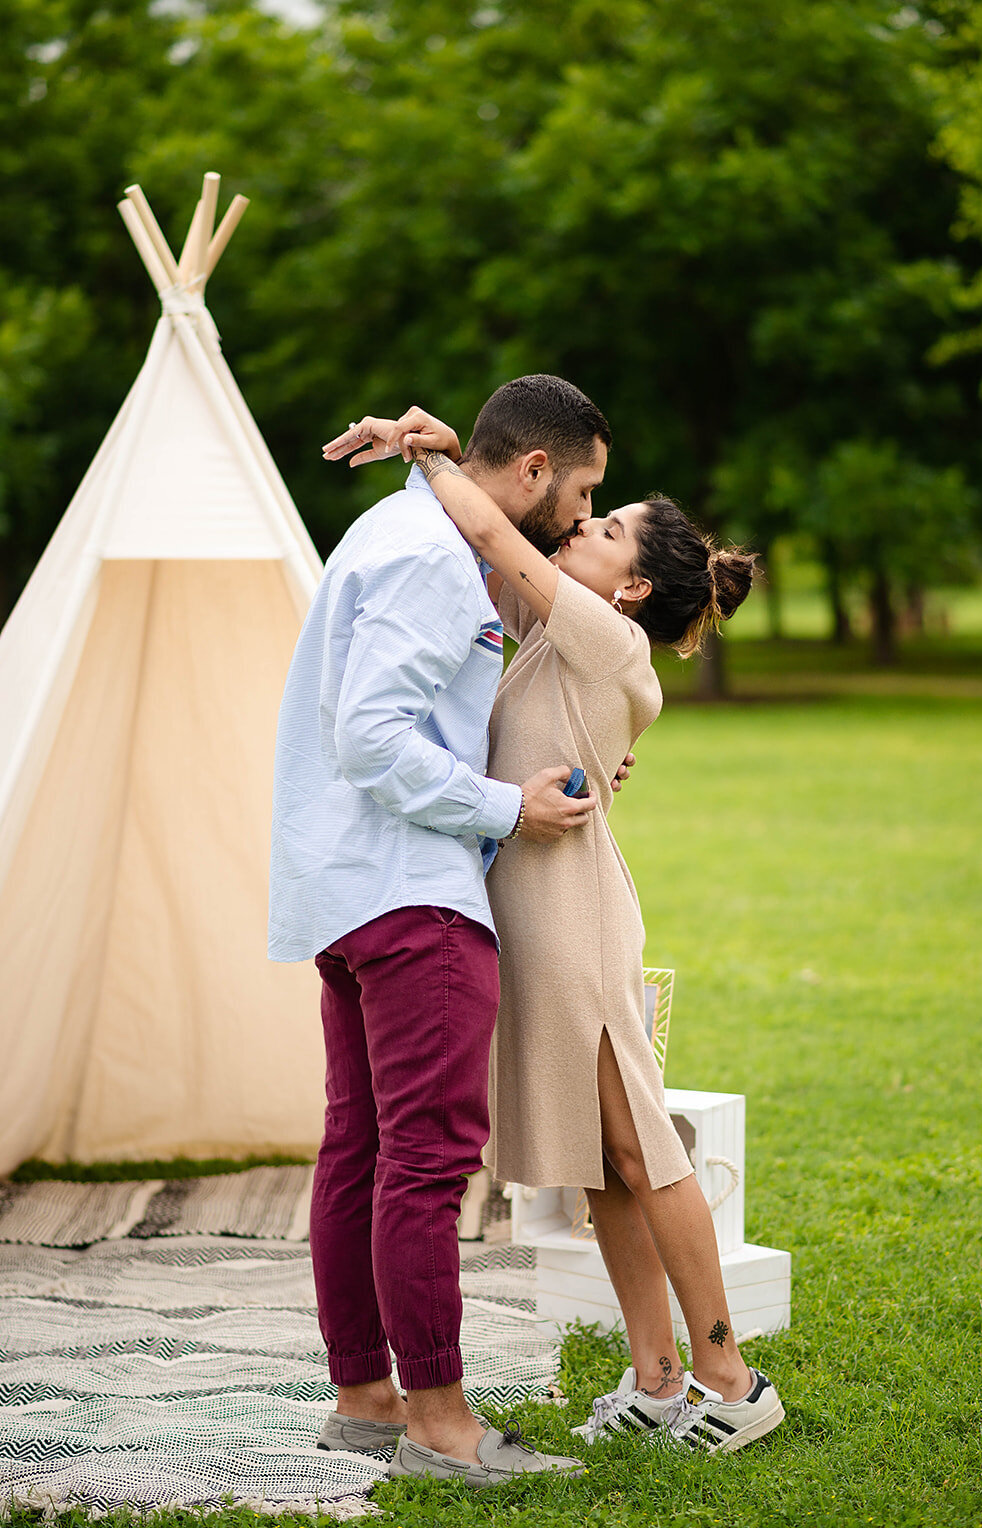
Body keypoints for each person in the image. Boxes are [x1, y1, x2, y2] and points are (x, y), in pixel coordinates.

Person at [324, 405, 785, 1461]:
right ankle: (657, 1374)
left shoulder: (612, 637)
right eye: (591, 508)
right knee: (596, 1164)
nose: (578, 527)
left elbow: (493, 531)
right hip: (521, 908)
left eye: (605, 524)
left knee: (639, 1144)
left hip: (573, 918)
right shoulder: (550, 630)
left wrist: (431, 456)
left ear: (630, 587)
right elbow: (497, 567)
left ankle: (731, 1376)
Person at [271, 375, 627, 1489]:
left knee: (364, 1150)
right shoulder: (432, 560)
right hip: (410, 893)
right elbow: (374, 735)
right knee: (424, 1165)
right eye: (581, 494)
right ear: (531, 468)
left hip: (348, 887)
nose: (577, 520)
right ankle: (441, 1421)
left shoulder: (406, 524)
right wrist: (505, 806)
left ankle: (366, 1397)